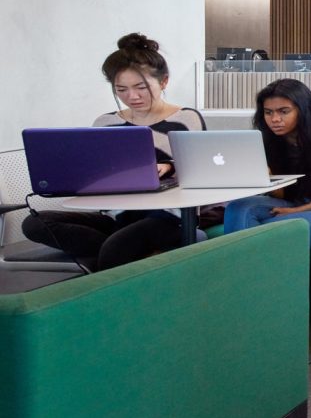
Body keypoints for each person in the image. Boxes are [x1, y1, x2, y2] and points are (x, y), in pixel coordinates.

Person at [22, 33, 206, 271]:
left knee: (116, 248)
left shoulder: (186, 119)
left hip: (167, 218)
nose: (132, 97)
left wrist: (169, 166)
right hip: (116, 216)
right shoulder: (105, 123)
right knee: (35, 224)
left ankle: (114, 256)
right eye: (121, 89)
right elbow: (95, 171)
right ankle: (126, 252)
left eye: (141, 87)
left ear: (163, 82)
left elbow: (202, 172)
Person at [222, 79, 311, 249]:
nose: (275, 119)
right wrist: (266, 178)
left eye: (284, 111)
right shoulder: (270, 140)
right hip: (298, 201)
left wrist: (302, 210)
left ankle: (239, 263)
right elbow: (283, 195)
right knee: (238, 208)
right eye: (268, 112)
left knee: (264, 232)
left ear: (303, 110)